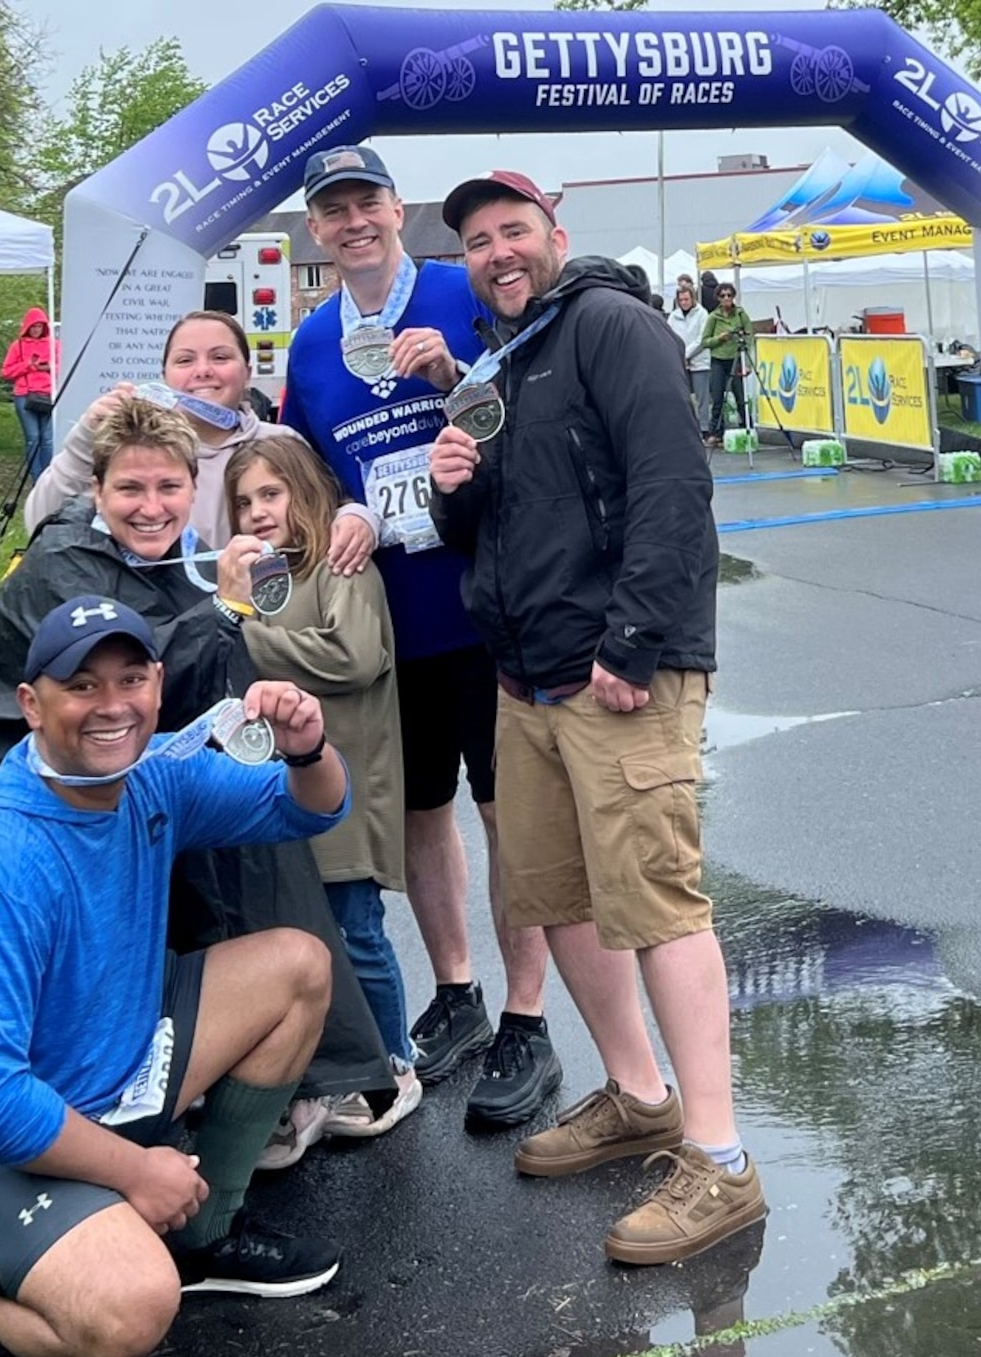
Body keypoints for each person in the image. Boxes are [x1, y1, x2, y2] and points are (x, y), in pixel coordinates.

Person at [0, 398, 394, 1170]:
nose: (152, 508)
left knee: (197, 898)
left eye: (169, 488)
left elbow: (195, 709)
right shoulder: (63, 563)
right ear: (96, 491)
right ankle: (31, 1132)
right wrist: (227, 608)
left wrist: (299, 744)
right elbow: (132, 690)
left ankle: (193, 1105)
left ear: (192, 486)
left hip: (126, 789)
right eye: (130, 490)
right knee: (33, 976)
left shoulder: (187, 557)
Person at [0, 594, 352, 1357]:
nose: (112, 705)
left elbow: (309, 806)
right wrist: (138, 1171)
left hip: (103, 1077)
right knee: (130, 1307)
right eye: (81, 686)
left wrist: (308, 745)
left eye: (130, 678)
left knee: (298, 968)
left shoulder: (149, 777)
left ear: (158, 686)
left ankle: (205, 1237)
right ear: (32, 704)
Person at [428, 169, 767, 1266]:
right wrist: (451, 485)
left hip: (617, 673)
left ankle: (717, 1161)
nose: (495, 250)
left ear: (553, 237)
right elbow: (496, 520)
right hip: (524, 678)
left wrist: (630, 644)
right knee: (558, 896)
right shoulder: (498, 361)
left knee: (658, 902)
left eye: (511, 230)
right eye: (477, 240)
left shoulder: (613, 326)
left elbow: (673, 487)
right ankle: (637, 1094)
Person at [281, 143, 561, 1132]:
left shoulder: (465, 290)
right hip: (388, 623)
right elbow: (306, 476)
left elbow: (536, 407)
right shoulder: (312, 344)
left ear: (399, 211)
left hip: (489, 600)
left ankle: (527, 1016)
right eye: (333, 211)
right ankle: (458, 990)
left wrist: (456, 375)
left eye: (368, 203)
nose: (352, 222)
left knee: (507, 811)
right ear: (315, 228)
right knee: (419, 812)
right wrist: (336, 515)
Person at [229, 434, 421, 1138]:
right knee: (295, 935)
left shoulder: (341, 565)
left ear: (305, 493)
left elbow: (355, 655)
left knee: (356, 930)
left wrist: (246, 636)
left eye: (271, 495)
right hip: (281, 796)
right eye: (243, 500)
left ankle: (395, 1062)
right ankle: (320, 1076)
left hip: (350, 787)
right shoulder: (256, 576)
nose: (255, 511)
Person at [22, 309, 374, 550]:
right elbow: (40, 522)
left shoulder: (282, 442)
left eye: (220, 358)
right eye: (185, 360)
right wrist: (84, 442)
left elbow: (334, 506)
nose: (203, 371)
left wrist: (356, 517)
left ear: (247, 373)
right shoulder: (134, 456)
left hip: (271, 635)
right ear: (165, 377)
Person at [1, 308, 58, 481]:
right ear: (27, 327)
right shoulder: (17, 346)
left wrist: (48, 367)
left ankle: (48, 479)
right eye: (33, 327)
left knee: (47, 439)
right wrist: (28, 366)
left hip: (48, 395)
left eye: (39, 327)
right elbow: (5, 372)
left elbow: (64, 367)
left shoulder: (54, 345)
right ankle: (36, 478)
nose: (36, 330)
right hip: (24, 396)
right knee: (33, 438)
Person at [700, 283, 753, 444]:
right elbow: (705, 341)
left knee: (740, 396)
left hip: (736, 359)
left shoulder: (740, 314)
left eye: (729, 295)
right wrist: (720, 338)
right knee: (717, 398)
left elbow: (750, 334)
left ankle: (747, 428)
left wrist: (747, 360)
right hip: (718, 361)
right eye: (723, 295)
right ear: (718, 298)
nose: (726, 298)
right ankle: (716, 431)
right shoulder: (713, 317)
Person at [667, 284, 709, 419]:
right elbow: (668, 336)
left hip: (700, 361)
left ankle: (704, 427)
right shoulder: (673, 316)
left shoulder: (702, 314)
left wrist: (686, 354)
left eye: (686, 299)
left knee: (702, 397)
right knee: (682, 397)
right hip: (680, 363)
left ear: (693, 298)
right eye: (681, 300)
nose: (684, 303)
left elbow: (702, 338)